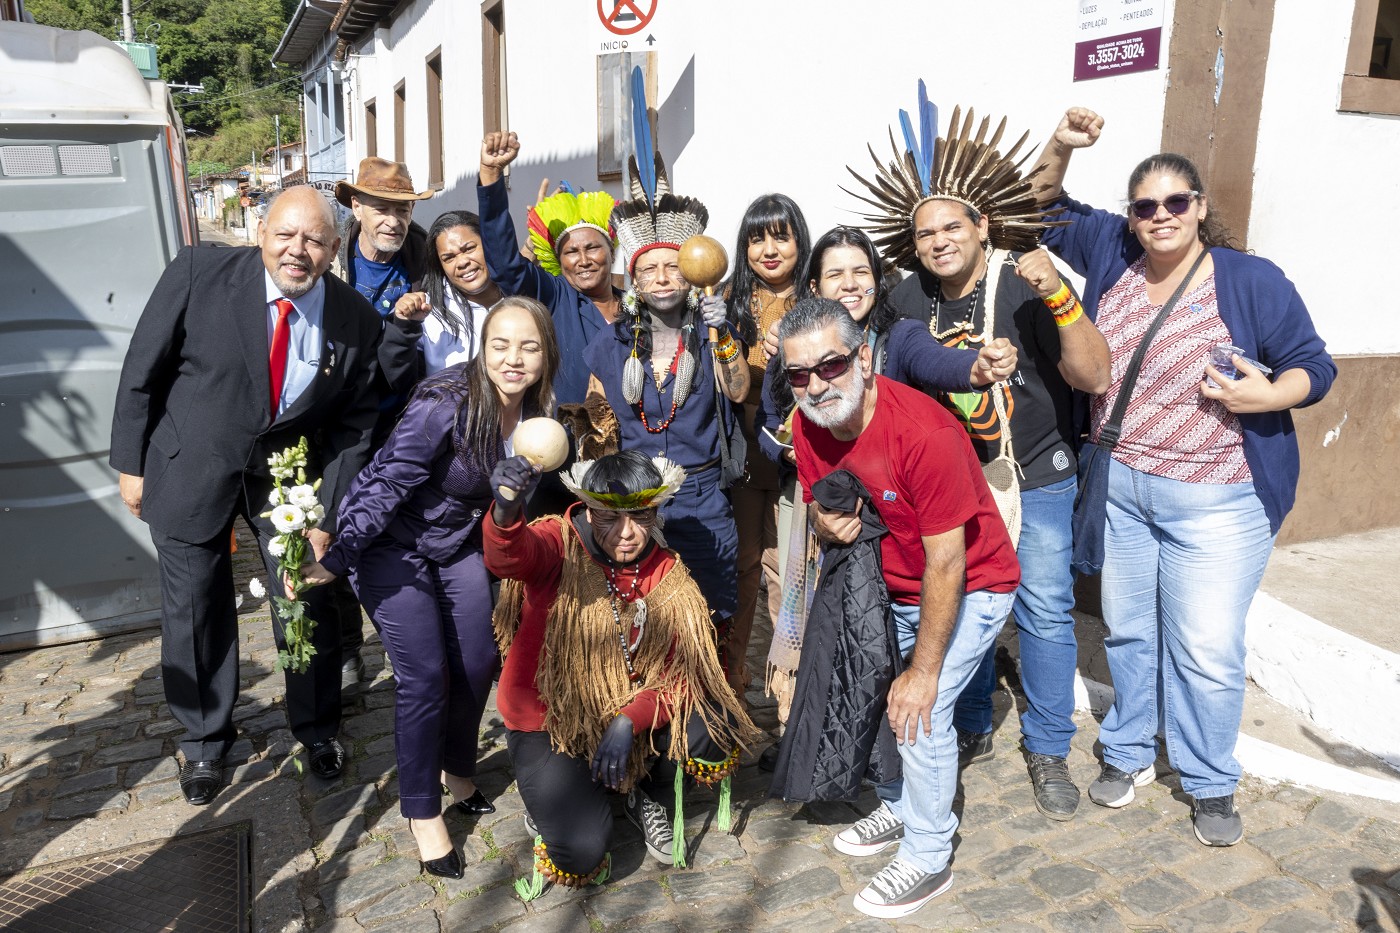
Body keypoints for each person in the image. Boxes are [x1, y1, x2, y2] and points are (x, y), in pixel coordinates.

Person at [1035, 112, 1336, 846]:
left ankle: (1207, 779)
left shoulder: (1251, 279)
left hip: (1220, 502)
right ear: (1132, 216)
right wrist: (1062, 145)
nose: (1160, 216)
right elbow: (1038, 204)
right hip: (1127, 489)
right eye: (1146, 206)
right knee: (1131, 631)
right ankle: (1131, 750)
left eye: (1176, 202)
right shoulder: (1113, 250)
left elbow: (1312, 365)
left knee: (1205, 645)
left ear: (1199, 207)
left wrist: (1270, 395)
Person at [848, 94, 1111, 822]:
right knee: (956, 605)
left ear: (981, 225)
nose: (937, 242)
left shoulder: (1024, 280)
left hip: (1037, 472)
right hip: (952, 488)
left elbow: (1094, 376)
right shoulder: (904, 296)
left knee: (1047, 611)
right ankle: (966, 724)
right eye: (924, 232)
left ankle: (1049, 745)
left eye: (951, 226)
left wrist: (1059, 296)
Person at [109, 186, 382, 806]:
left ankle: (317, 729)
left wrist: (329, 515)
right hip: (189, 464)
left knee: (302, 595)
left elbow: (354, 425)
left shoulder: (355, 319)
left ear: (334, 248)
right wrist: (130, 463)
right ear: (261, 232)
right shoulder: (198, 274)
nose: (297, 250)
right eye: (286, 235)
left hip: (286, 478)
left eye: (314, 240)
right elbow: (140, 370)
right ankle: (205, 740)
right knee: (196, 607)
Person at [297, 298, 559, 878]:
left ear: (546, 355)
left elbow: (513, 504)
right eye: (501, 345)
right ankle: (421, 809)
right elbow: (388, 478)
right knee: (424, 675)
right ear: (482, 346)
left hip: (457, 542)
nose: (513, 359)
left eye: (529, 347)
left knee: (477, 660)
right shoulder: (445, 402)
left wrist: (512, 498)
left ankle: (457, 768)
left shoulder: (540, 415)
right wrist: (339, 557)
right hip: (389, 542)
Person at [779, 297, 1019, 919]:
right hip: (886, 584)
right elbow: (822, 512)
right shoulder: (807, 424)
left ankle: (929, 854)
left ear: (863, 356)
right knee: (873, 690)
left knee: (923, 707)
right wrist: (829, 529)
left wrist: (925, 670)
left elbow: (949, 564)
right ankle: (899, 805)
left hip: (972, 584)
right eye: (798, 374)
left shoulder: (924, 432)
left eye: (829, 366)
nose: (815, 385)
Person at [754, 226, 1014, 772]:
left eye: (860, 271)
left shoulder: (901, 339)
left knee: (926, 694)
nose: (849, 283)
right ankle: (890, 790)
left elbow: (940, 363)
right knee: (877, 686)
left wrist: (975, 369)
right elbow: (774, 418)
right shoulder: (804, 362)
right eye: (834, 273)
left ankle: (945, 782)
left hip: (937, 536)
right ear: (815, 286)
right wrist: (823, 523)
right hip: (879, 560)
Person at [484, 450, 757, 894]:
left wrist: (631, 719)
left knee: (713, 717)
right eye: (609, 517)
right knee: (581, 850)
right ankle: (553, 794)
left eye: (641, 516)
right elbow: (509, 558)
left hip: (626, 712)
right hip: (552, 720)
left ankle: (647, 793)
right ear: (589, 510)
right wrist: (507, 509)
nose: (627, 534)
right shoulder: (557, 543)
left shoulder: (666, 571)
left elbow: (681, 672)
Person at [584, 127, 750, 665]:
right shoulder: (609, 345)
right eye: (647, 268)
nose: (661, 277)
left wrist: (723, 334)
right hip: (636, 505)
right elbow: (594, 422)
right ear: (632, 278)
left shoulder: (711, 334)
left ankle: (704, 740)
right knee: (645, 630)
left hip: (703, 500)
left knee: (709, 628)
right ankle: (650, 734)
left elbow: (741, 389)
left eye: (672, 265)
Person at [333, 157, 437, 693]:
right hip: (347, 420)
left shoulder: (424, 255)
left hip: (408, 414)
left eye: (402, 208)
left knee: (408, 527)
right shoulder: (333, 259)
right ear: (356, 206)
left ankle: (414, 634)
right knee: (343, 526)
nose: (393, 220)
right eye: (381, 208)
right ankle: (349, 648)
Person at [724, 193, 811, 700]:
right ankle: (733, 687)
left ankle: (788, 700)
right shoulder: (729, 298)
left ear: (800, 239)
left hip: (795, 456)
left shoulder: (817, 298)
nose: (769, 249)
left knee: (788, 575)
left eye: (781, 235)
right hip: (740, 455)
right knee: (743, 569)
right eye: (757, 238)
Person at [477, 131, 623, 406]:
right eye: (571, 252)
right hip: (567, 440)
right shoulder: (554, 297)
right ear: (558, 260)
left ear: (611, 251)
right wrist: (491, 177)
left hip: (634, 443)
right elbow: (507, 267)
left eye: (592, 248)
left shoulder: (634, 306)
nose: (583, 260)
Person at [379, 210, 503, 389]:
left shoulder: (522, 298)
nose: (462, 262)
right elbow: (397, 378)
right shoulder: (427, 310)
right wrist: (404, 327)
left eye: (469, 249)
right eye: (449, 258)